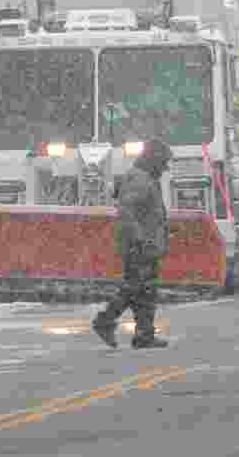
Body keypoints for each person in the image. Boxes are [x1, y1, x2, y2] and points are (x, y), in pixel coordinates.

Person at [92, 138, 173, 349]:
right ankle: (105, 320)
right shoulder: (140, 180)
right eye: (163, 163)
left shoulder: (144, 177)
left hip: (145, 243)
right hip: (139, 245)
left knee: (145, 289)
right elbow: (127, 212)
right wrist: (139, 239)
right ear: (153, 160)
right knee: (135, 287)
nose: (165, 168)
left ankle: (144, 334)